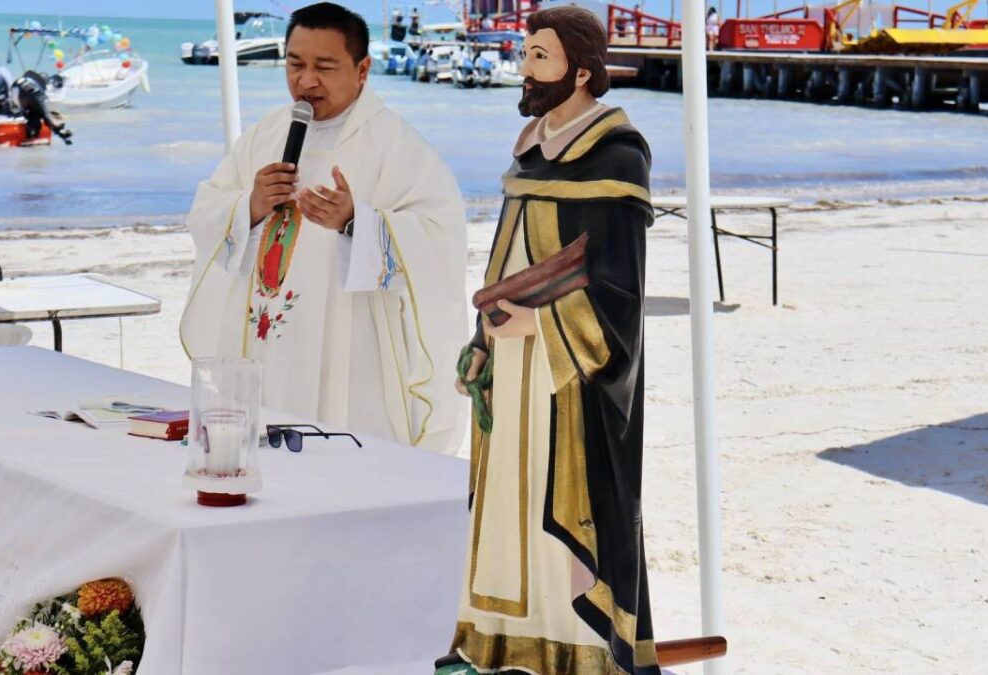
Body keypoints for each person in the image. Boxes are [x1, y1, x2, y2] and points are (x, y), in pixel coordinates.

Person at [438, 5, 658, 673]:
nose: (525, 68)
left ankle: (581, 653)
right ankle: (502, 644)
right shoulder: (530, 151)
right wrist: (482, 339)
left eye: (539, 56)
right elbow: (505, 259)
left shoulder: (617, 155)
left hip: (569, 372)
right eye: (526, 54)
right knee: (507, 502)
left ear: (582, 72)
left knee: (561, 505)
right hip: (512, 362)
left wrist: (537, 322)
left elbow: (621, 290)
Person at [181, 2, 468, 454]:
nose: (306, 81)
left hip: (351, 343)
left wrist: (358, 222)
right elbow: (205, 212)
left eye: (324, 67)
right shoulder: (265, 135)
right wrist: (250, 204)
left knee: (344, 458)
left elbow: (439, 237)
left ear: (362, 70)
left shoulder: (394, 144)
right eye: (295, 64)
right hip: (268, 341)